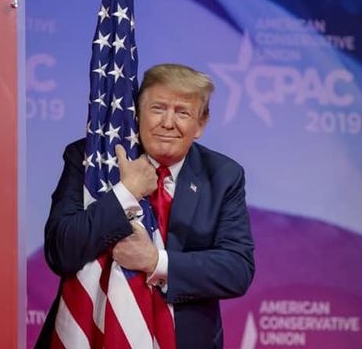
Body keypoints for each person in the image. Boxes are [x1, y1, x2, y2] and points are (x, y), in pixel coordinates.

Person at [37, 64, 255, 348]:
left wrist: (155, 262)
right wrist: (125, 194)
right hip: (94, 336)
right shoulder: (91, 160)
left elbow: (237, 270)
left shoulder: (223, 175)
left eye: (182, 112)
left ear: (200, 124)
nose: (168, 123)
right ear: (137, 113)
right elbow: (60, 251)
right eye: (158, 108)